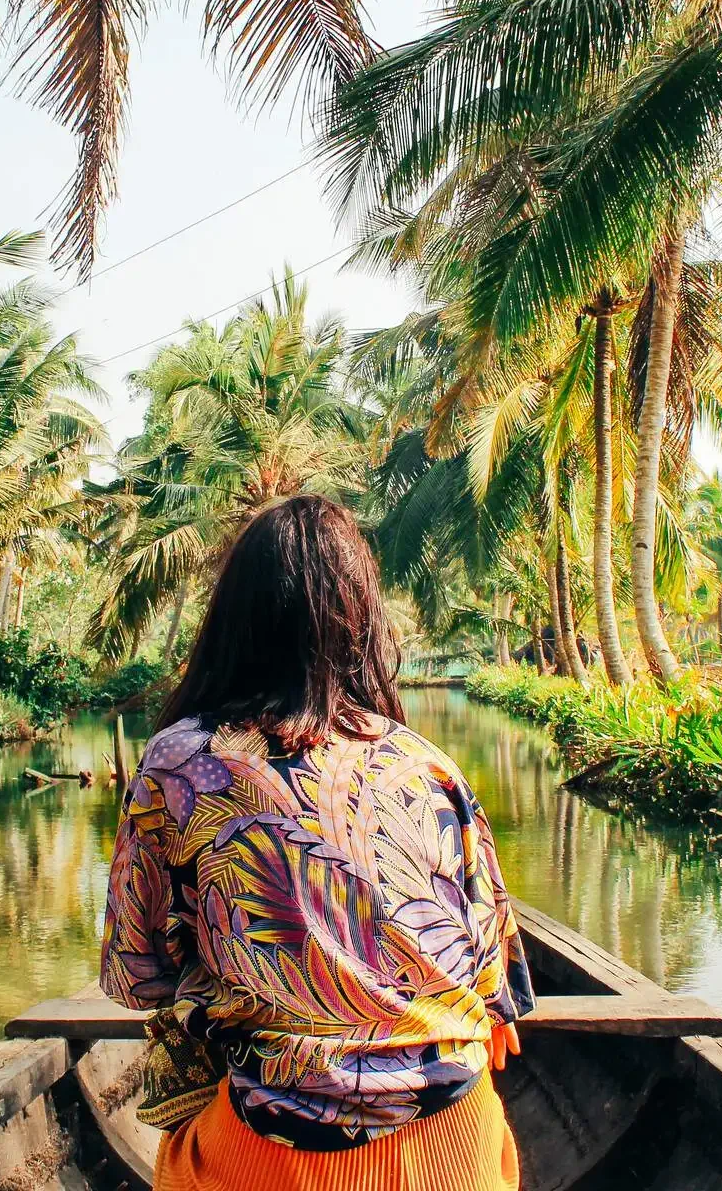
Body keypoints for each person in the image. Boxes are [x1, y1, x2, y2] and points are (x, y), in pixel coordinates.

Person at [101, 495, 533, 1191]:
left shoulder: (180, 762)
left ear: (233, 621)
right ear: (360, 622)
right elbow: (496, 989)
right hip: (460, 1142)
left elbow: (137, 976)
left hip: (279, 1152)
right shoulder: (425, 763)